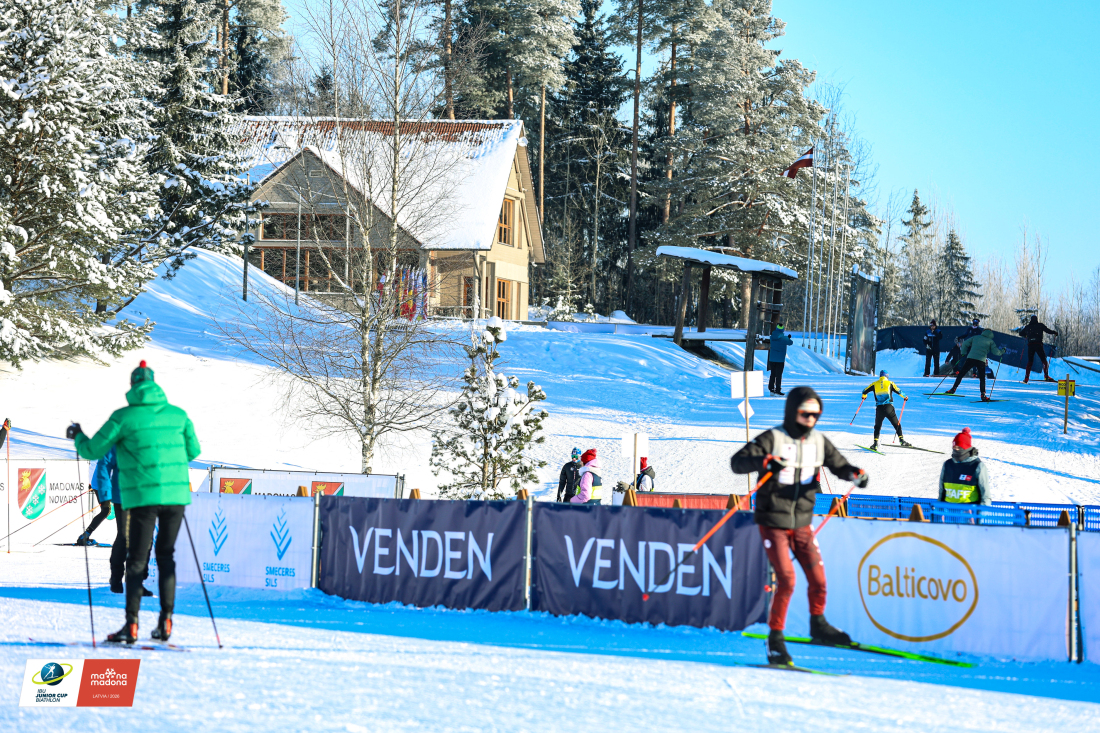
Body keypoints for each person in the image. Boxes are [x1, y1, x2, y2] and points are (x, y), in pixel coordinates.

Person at [729, 386, 869, 667]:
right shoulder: (774, 438)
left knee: (818, 579)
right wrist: (765, 461)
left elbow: (839, 465)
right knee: (788, 580)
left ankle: (818, 625)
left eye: (816, 415)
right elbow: (737, 463)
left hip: (802, 521)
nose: (811, 419)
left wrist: (854, 474)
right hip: (773, 521)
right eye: (806, 414)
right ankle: (775, 639)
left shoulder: (818, 441)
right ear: (793, 411)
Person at [69, 360, 200, 644]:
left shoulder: (123, 417)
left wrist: (77, 435)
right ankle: (166, 621)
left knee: (137, 558)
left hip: (141, 497)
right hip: (175, 497)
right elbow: (193, 451)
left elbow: (92, 450)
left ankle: (131, 625)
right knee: (166, 556)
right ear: (155, 384)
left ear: (133, 385)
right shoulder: (179, 415)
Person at [944, 329, 1005, 401]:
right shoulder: (991, 341)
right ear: (991, 334)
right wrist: (1003, 351)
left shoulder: (975, 337)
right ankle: (983, 395)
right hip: (981, 360)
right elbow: (996, 352)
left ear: (983, 332)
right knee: (982, 378)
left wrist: (963, 353)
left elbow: (965, 343)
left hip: (971, 358)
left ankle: (953, 389)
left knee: (961, 374)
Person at [938, 428, 991, 506]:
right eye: (954, 447)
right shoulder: (947, 464)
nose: (956, 450)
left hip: (969, 511)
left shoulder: (977, 466)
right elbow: (942, 490)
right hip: (948, 510)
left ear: (966, 448)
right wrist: (939, 507)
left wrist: (982, 512)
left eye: (959, 448)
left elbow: (985, 494)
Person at [861, 370, 910, 451]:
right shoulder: (890, 383)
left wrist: (864, 396)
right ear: (887, 376)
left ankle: (875, 444)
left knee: (877, 426)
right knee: (896, 424)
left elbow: (864, 391)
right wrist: (905, 397)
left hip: (879, 408)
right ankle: (902, 441)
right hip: (889, 407)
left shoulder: (874, 384)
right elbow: (898, 391)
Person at [76, 449, 115, 547]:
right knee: (108, 510)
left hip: (99, 483)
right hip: (102, 484)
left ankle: (85, 535)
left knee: (107, 510)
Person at [1019, 315, 1058, 384]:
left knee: (1030, 362)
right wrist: (1054, 332)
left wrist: (1026, 334)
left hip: (1030, 346)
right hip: (1038, 345)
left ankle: (1026, 378)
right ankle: (1046, 376)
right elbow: (1048, 331)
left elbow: (1020, 333)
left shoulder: (1027, 327)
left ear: (1031, 320)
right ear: (1036, 319)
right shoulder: (1040, 325)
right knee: (1044, 360)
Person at [767, 322, 795, 396]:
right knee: (778, 375)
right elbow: (790, 343)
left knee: (772, 374)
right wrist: (788, 338)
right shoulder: (784, 338)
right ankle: (777, 390)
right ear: (783, 330)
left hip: (772, 359)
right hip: (780, 360)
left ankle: (771, 389)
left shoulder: (772, 337)